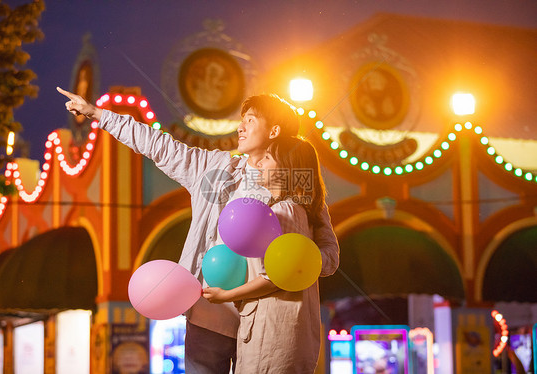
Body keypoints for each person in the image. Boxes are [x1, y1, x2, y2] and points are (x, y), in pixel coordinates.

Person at [57, 87, 340, 373]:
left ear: (275, 130)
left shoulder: (297, 188)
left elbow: (329, 257)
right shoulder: (216, 169)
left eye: (251, 120)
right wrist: (98, 114)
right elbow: (158, 145)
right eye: (242, 119)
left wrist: (294, 262)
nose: (240, 126)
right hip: (210, 315)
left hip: (265, 322)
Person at [203, 136, 326, 373]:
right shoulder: (298, 210)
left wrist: (226, 295)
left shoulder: (283, 211)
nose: (259, 164)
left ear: (287, 169)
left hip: (271, 335)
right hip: (282, 333)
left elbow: (275, 278)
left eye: (268, 157)